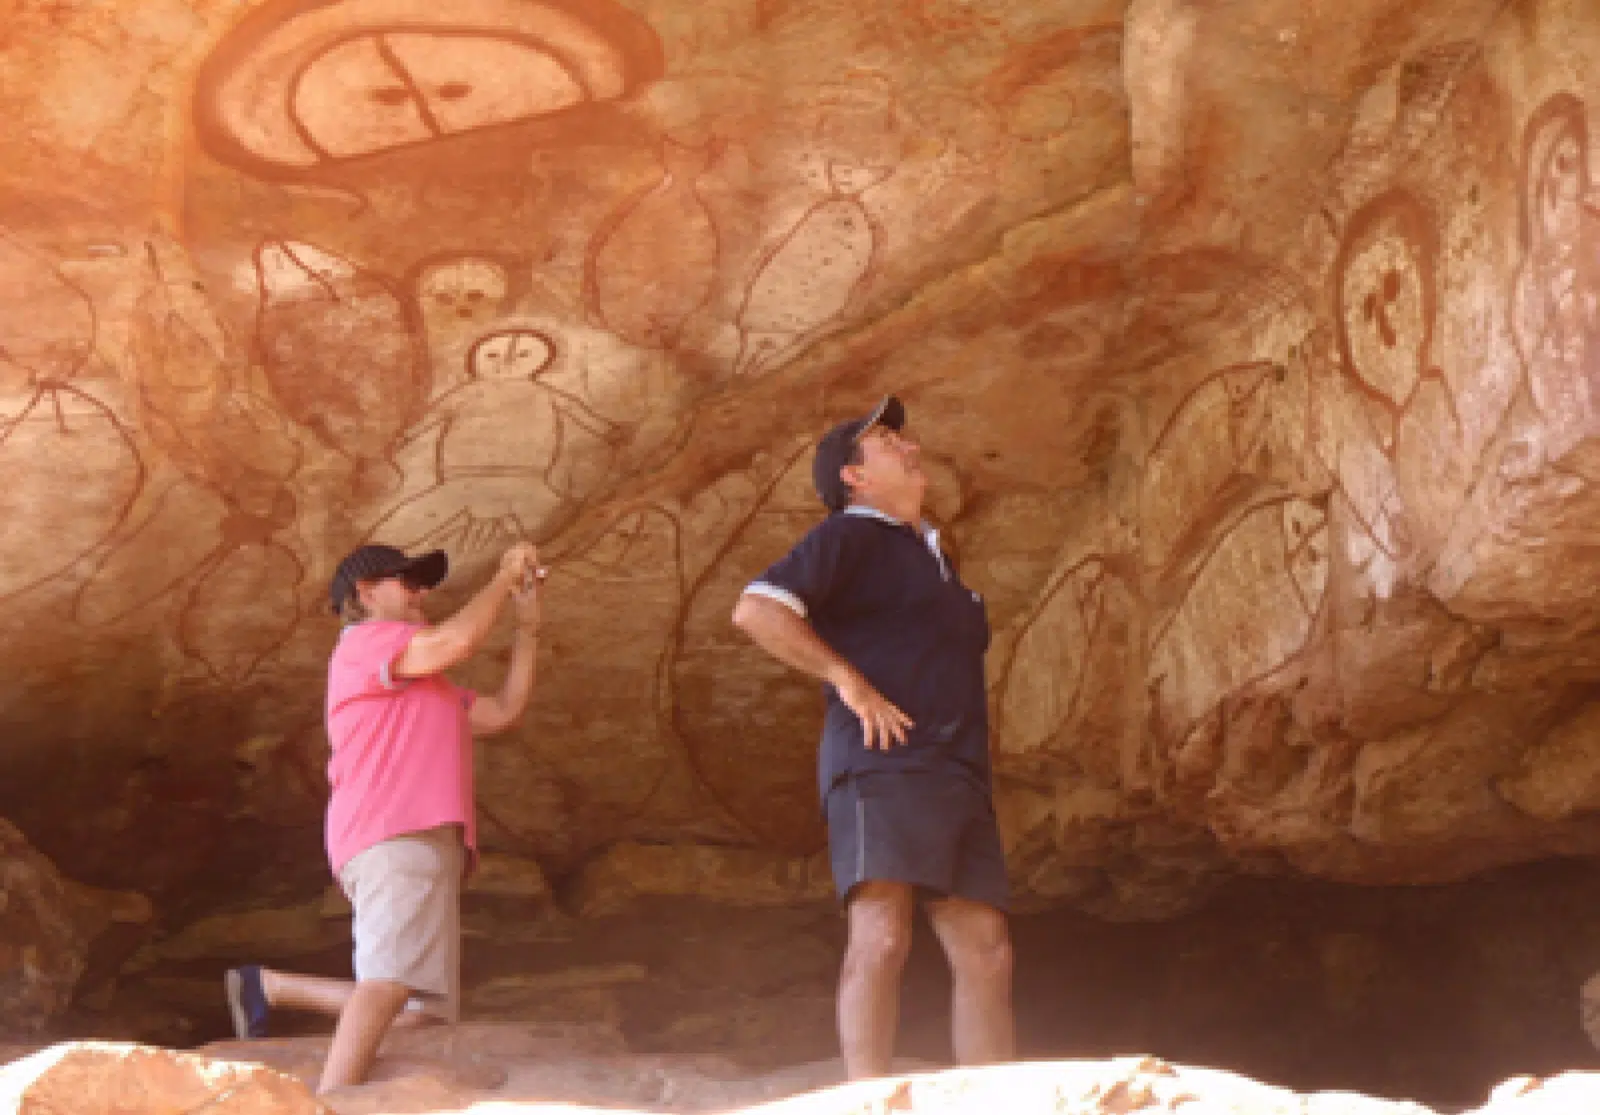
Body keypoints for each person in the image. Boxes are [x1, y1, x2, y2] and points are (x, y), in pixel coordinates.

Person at [731, 396, 1015, 1080]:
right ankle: (867, 1095)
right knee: (883, 933)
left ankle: (994, 1095)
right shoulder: (849, 536)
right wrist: (848, 682)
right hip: (882, 759)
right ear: (853, 477)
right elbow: (756, 609)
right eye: (888, 441)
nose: (910, 447)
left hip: (956, 770)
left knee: (986, 948)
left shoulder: (935, 557)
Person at [223, 541, 543, 1093]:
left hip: (421, 840)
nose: (421, 593)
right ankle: (331, 1103)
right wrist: (501, 578)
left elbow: (503, 711)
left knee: (418, 1014)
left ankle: (267, 987)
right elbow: (458, 641)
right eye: (408, 582)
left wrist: (529, 626)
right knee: (389, 983)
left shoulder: (428, 683)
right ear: (366, 593)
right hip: (395, 830)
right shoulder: (364, 644)